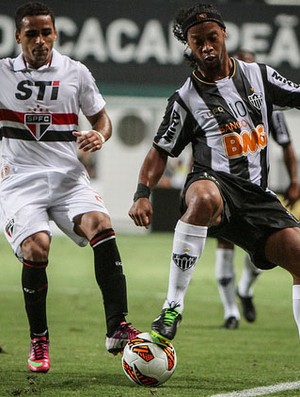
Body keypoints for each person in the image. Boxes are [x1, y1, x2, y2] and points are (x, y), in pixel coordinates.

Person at [128, 2, 300, 344]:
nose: (206, 46)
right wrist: (142, 194)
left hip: (258, 199)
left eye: (211, 37)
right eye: (197, 41)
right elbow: (160, 150)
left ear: (224, 35)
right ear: (189, 46)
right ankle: (172, 307)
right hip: (215, 186)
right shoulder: (186, 98)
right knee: (204, 195)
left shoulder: (258, 75)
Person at [0, 2, 139, 373]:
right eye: (32, 34)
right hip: (20, 180)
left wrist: (99, 134)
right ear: (18, 37)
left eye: (46, 33)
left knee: (102, 223)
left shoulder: (75, 72)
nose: (40, 41)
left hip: (67, 177)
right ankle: (39, 339)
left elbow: (102, 119)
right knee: (37, 247)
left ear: (55, 34)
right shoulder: (2, 74)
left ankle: (117, 326)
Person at [216, 49, 300, 329]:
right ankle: (230, 313)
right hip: (225, 190)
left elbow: (287, 146)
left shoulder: (269, 106)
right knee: (224, 247)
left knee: (267, 249)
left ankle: (245, 289)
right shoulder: (215, 103)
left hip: (258, 193)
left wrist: (294, 180)